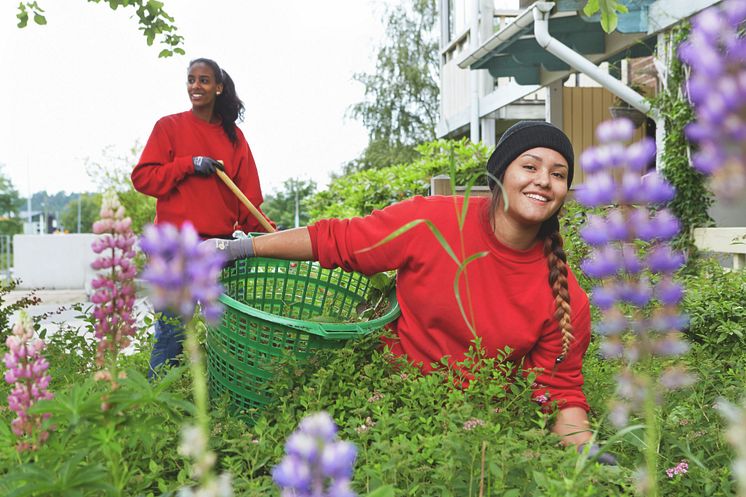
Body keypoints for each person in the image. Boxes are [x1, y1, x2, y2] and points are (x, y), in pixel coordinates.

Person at [206, 121, 600, 452]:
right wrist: (240, 247)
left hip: (471, 441)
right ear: (500, 175)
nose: (544, 181)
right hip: (387, 406)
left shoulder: (565, 298)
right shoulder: (431, 222)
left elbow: (558, 390)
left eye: (558, 174)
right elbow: (339, 240)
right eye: (530, 166)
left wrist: (588, 455)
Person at [132, 57, 273, 377]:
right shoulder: (168, 127)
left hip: (218, 248)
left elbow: (249, 204)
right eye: (191, 80)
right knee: (171, 332)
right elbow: (143, 179)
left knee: (226, 330)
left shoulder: (234, 139)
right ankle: (160, 405)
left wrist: (273, 235)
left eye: (204, 80)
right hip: (173, 247)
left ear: (218, 87)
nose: (196, 86)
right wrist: (188, 164)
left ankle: (219, 400)